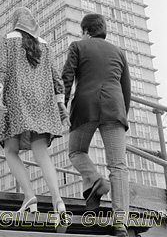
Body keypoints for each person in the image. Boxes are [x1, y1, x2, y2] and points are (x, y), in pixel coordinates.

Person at [0, 7, 70, 232]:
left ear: (15, 22)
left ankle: (29, 196)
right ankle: (58, 202)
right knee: (41, 152)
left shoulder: (8, 39)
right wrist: (61, 103)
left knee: (10, 150)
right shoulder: (45, 45)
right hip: (43, 102)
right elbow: (57, 77)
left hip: (17, 98)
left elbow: (2, 70)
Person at [62, 13, 131, 237]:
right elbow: (126, 89)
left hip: (86, 107)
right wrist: (121, 114)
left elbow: (67, 78)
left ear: (85, 31)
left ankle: (95, 179)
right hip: (115, 108)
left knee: (76, 151)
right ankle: (120, 224)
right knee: (118, 166)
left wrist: (62, 107)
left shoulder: (78, 46)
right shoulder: (119, 52)